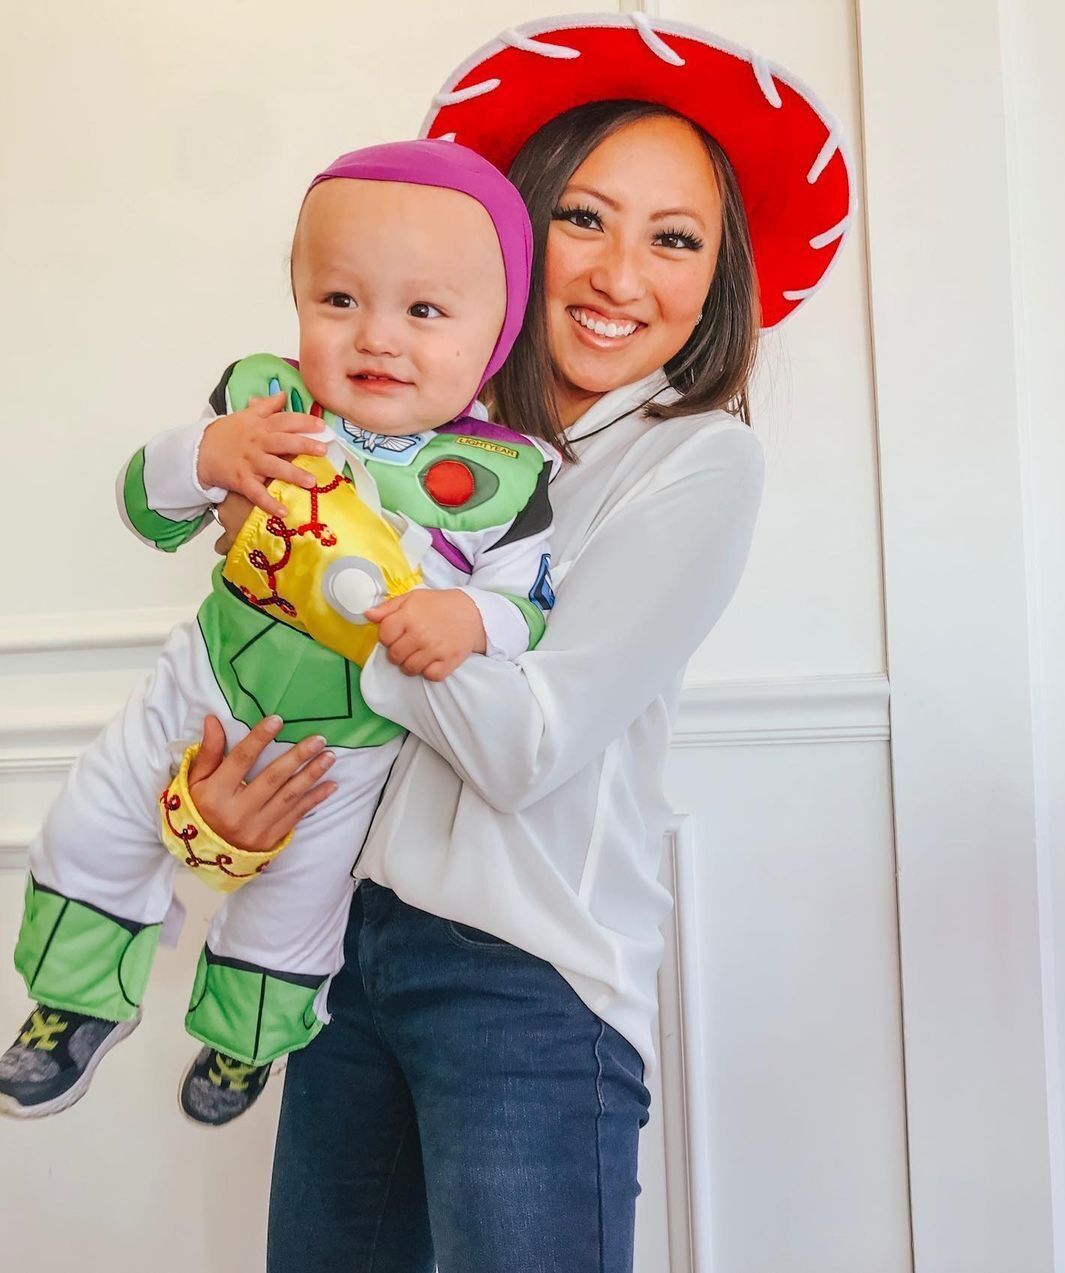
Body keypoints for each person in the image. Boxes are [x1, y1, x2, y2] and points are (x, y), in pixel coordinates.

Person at [101, 16, 854, 1272]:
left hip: (528, 985)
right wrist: (216, 818)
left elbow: (525, 746)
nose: (623, 274)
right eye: (584, 219)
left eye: (676, 240)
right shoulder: (403, 438)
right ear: (512, 234)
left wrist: (317, 582)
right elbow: (267, 690)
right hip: (342, 958)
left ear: (718, 280)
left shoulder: (696, 459)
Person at [0, 140, 561, 1127]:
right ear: (297, 297)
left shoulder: (500, 481)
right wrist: (204, 453)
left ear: (498, 330)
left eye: (424, 310)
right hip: (205, 680)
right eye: (339, 300)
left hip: (343, 746)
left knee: (296, 907)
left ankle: (245, 1038)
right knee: (93, 824)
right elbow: (150, 506)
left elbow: (531, 605)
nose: (376, 338)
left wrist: (469, 614)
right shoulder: (270, 406)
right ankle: (75, 1000)